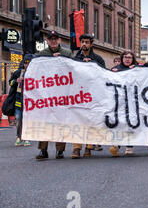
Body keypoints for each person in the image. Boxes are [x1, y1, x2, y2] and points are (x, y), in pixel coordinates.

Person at [36, 31, 73, 160]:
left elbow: (72, 69)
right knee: (45, 122)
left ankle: (60, 150)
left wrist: (61, 61)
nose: (53, 41)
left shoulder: (67, 53)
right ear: (47, 41)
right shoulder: (41, 55)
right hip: (47, 94)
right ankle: (43, 150)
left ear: (59, 40)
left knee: (61, 122)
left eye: (55, 39)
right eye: (50, 39)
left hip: (62, 94)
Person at [71, 34, 106, 159]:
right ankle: (76, 147)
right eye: (82, 42)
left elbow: (104, 76)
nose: (84, 44)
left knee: (90, 121)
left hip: (93, 95)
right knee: (78, 121)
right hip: (78, 95)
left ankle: (88, 147)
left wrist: (92, 65)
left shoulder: (98, 59)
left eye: (86, 42)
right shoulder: (75, 59)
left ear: (91, 44)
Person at [109, 51, 138, 157]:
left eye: (129, 57)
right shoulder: (115, 69)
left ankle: (129, 146)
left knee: (130, 122)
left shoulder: (137, 69)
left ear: (133, 59)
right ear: (122, 58)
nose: (127, 59)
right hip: (119, 100)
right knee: (119, 122)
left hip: (132, 100)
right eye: (125, 57)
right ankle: (117, 144)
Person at [9, 54, 34, 147]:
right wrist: (16, 81)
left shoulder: (35, 73)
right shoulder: (17, 73)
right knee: (18, 119)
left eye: (29, 63)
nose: (27, 65)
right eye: (26, 62)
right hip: (18, 101)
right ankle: (19, 137)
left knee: (27, 120)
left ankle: (26, 137)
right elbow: (10, 82)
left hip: (30, 103)